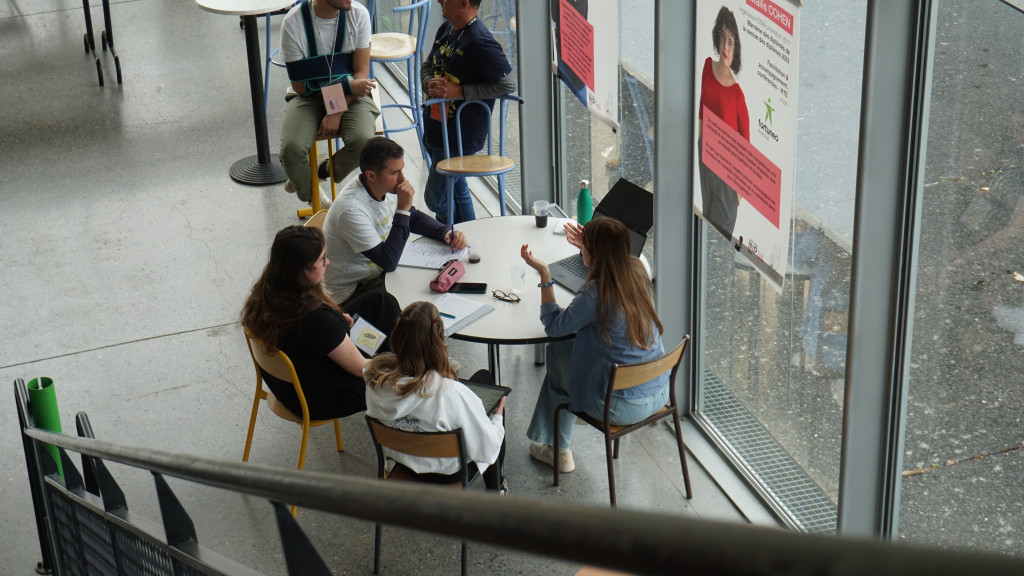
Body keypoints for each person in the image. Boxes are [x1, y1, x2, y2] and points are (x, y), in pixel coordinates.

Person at [520, 217, 668, 473]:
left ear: (595, 254)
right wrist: (590, 250)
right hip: (659, 393)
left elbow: (554, 327)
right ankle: (560, 434)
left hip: (619, 407)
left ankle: (559, 450)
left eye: (585, 247)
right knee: (574, 354)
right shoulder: (638, 273)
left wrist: (545, 275)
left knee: (557, 353)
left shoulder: (594, 294)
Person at [241, 225, 400, 420]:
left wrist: (335, 322)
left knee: (380, 302)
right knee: (402, 373)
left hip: (290, 383)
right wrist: (405, 366)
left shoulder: (270, 288)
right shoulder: (315, 318)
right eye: (322, 259)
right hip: (317, 399)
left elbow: (310, 331)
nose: (328, 262)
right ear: (304, 271)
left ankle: (390, 351)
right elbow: (362, 369)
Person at [364, 301, 508, 493]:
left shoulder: (374, 381)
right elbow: (488, 450)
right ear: (439, 341)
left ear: (397, 335)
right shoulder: (451, 393)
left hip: (402, 462)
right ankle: (496, 487)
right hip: (446, 474)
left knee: (481, 381)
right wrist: (497, 420)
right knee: (488, 388)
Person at [322, 137, 467, 306]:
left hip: (379, 274)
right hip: (354, 292)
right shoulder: (351, 210)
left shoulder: (383, 186)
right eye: (394, 172)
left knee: (442, 277)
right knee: (426, 300)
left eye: (402, 170)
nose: (402, 178)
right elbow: (388, 261)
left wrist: (444, 232)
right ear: (371, 175)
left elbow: (413, 217)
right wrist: (402, 210)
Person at [420, 0, 515, 225]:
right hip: (435, 126)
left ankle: (459, 233)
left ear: (463, 3)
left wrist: (461, 91)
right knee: (456, 187)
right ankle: (458, 238)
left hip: (458, 136)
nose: (439, 1)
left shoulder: (480, 42)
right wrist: (428, 83)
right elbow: (427, 65)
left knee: (435, 199)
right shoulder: (447, 28)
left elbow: (507, 85)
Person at [278, 0, 380, 209]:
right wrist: (345, 88)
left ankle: (318, 171)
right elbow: (299, 86)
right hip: (309, 97)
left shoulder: (358, 15)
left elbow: (361, 72)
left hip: (352, 96)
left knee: (364, 142)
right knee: (291, 150)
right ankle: (311, 193)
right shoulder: (293, 23)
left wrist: (336, 108)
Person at [698, 5, 749, 241]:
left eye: (731, 42)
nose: (726, 47)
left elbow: (745, 144)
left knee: (721, 235)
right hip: (706, 156)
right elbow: (702, 110)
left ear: (736, 47)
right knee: (707, 221)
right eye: (723, 39)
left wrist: (739, 191)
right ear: (717, 37)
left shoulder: (737, 94)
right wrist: (700, 144)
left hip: (727, 172)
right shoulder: (707, 67)